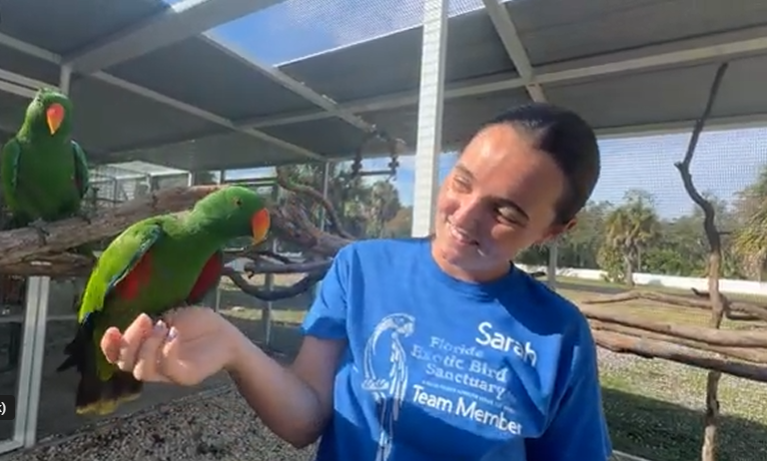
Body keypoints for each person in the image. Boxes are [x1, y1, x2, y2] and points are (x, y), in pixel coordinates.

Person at [101, 102, 612, 461]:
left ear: (554, 230)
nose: (464, 215)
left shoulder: (558, 335)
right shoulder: (362, 268)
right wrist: (234, 347)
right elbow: (306, 419)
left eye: (505, 211)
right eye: (461, 181)